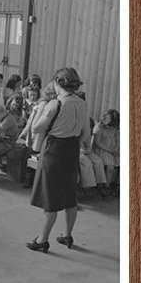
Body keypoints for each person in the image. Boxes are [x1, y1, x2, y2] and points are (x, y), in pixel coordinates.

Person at [26, 66, 91, 253]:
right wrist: (72, 141)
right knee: (70, 196)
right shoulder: (82, 103)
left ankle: (42, 239)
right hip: (72, 150)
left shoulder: (55, 104)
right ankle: (67, 235)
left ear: (57, 82)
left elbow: (36, 128)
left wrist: (41, 109)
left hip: (54, 150)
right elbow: (86, 133)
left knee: (51, 197)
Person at [92, 109, 120, 195]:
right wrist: (111, 150)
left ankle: (116, 186)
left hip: (113, 151)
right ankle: (106, 186)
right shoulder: (99, 126)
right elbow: (97, 143)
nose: (103, 118)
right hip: (102, 149)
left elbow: (118, 141)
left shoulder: (116, 129)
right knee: (110, 167)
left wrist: (117, 149)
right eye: (104, 116)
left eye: (106, 117)